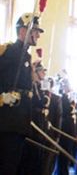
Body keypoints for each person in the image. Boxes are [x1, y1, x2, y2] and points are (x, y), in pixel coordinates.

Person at [0, 12, 44, 174]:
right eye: (35, 31)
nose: (38, 35)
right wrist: (2, 96)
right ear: (23, 31)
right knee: (6, 166)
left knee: (16, 166)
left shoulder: (25, 55)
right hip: (7, 120)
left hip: (20, 121)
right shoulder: (9, 51)